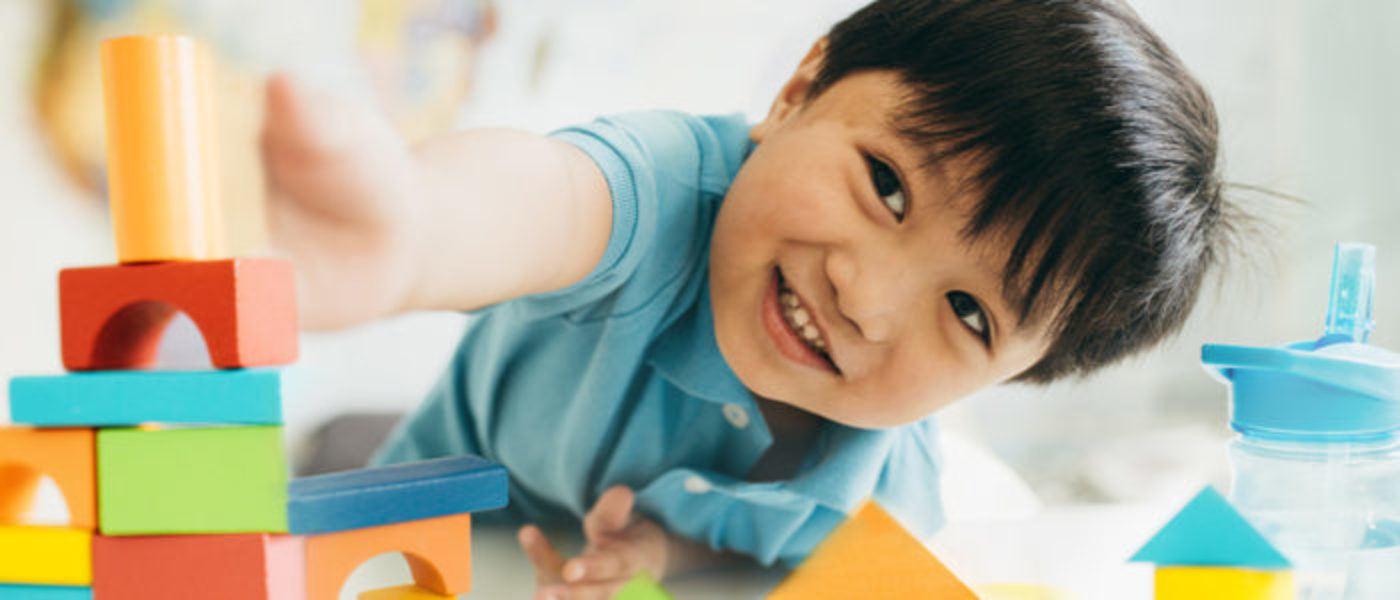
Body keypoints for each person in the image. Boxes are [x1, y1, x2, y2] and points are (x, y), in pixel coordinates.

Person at [261, 1, 1228, 597]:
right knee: (319, 473)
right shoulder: (674, 187)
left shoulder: (881, 503)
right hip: (461, 458)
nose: (866, 298)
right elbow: (547, 197)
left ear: (1019, 375)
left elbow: (758, 549)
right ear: (798, 92)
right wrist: (416, 230)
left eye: (970, 314)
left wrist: (658, 551)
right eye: (886, 184)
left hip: (574, 518)